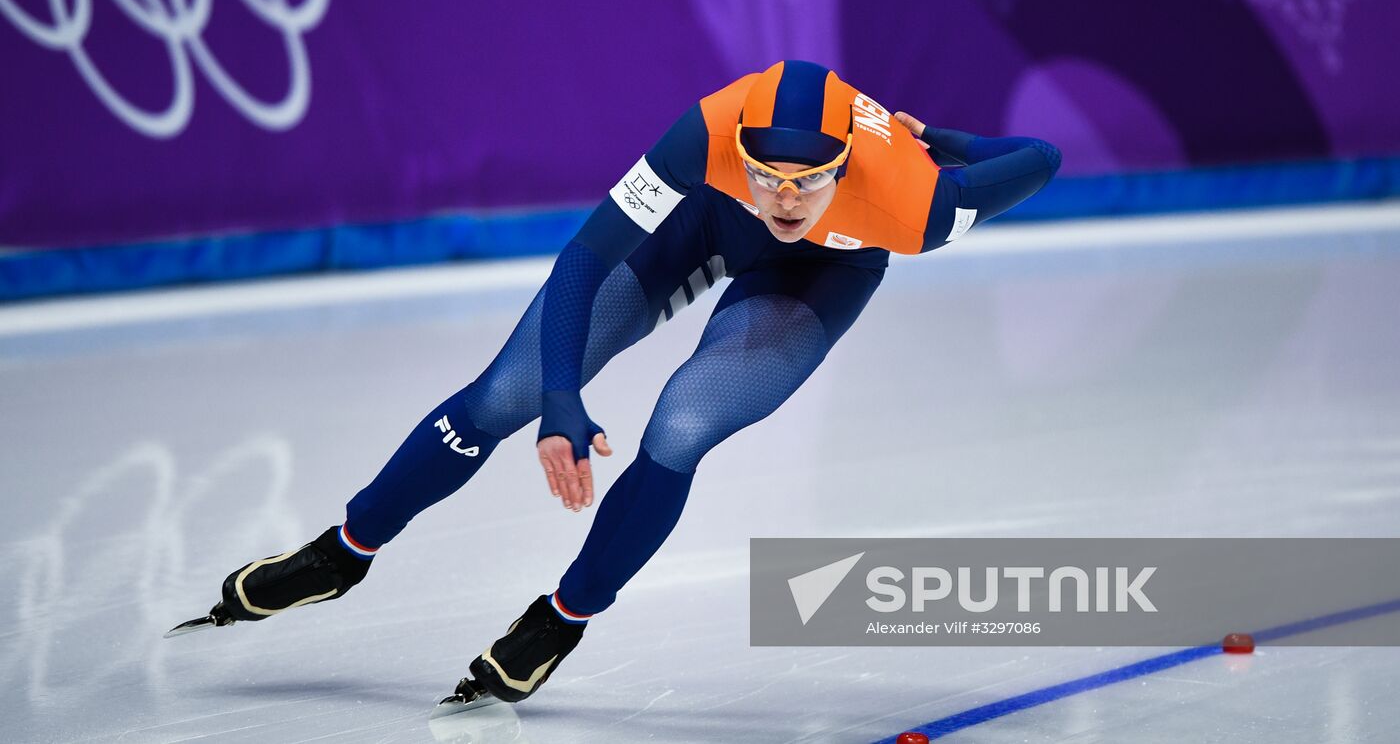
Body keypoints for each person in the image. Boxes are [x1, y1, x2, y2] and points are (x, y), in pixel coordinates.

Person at [179, 60, 1062, 706]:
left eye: (808, 183)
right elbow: (587, 255)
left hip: (811, 282)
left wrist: (936, 143)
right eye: (768, 175)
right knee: (506, 394)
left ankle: (563, 617)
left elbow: (1040, 156)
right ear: (740, 149)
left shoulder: (914, 202)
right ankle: (343, 552)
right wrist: (561, 398)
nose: (785, 200)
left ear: (845, 170)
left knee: (682, 426)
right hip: (699, 225)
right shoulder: (706, 130)